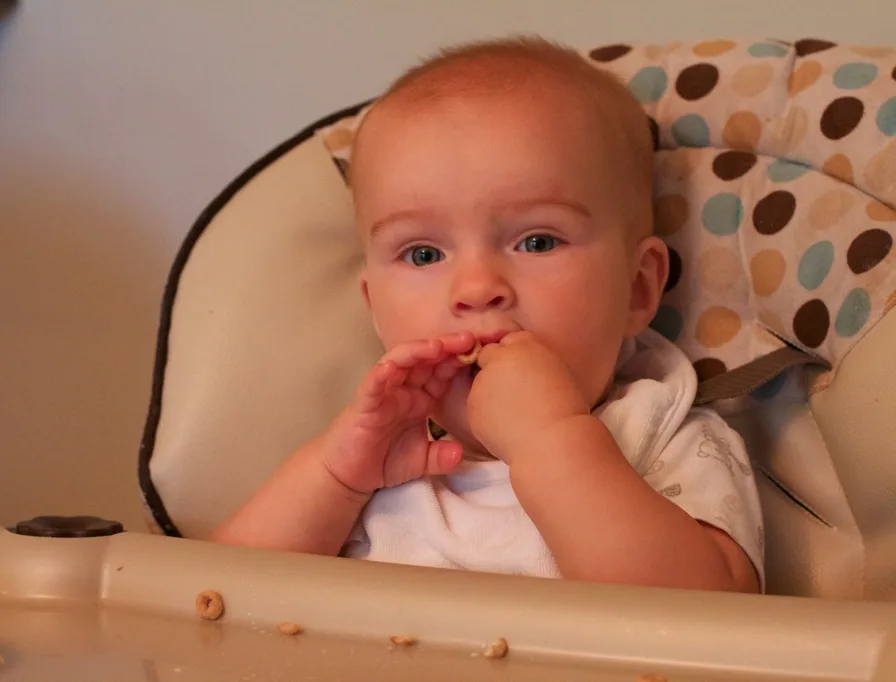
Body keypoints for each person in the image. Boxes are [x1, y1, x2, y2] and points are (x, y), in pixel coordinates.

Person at [211, 36, 764, 593]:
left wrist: (550, 440)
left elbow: (711, 614)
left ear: (637, 290)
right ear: (375, 309)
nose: (477, 289)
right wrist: (336, 477)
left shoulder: (667, 439)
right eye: (423, 254)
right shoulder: (369, 457)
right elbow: (212, 599)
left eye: (537, 241)